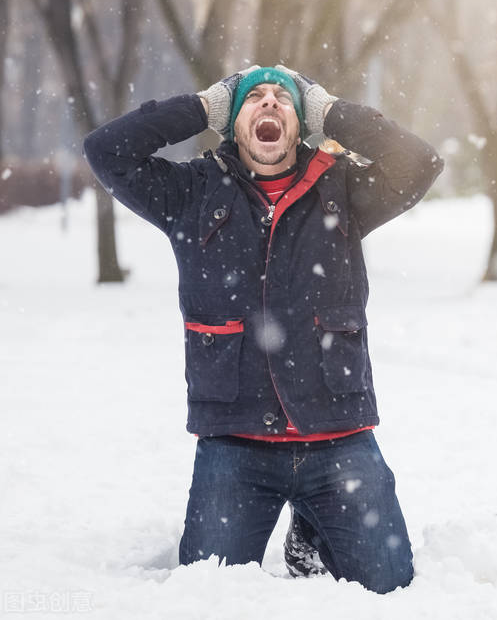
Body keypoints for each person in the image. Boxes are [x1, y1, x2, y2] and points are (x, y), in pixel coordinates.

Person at [83, 65, 443, 593]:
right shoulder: (191, 193)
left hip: (338, 435)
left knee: (390, 590)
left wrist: (331, 111)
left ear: (301, 126)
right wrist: (203, 106)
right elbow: (105, 150)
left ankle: (313, 533)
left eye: (284, 100)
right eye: (254, 98)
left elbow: (419, 163)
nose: (270, 104)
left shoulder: (341, 188)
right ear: (234, 122)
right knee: (208, 593)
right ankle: (307, 520)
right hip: (236, 441)